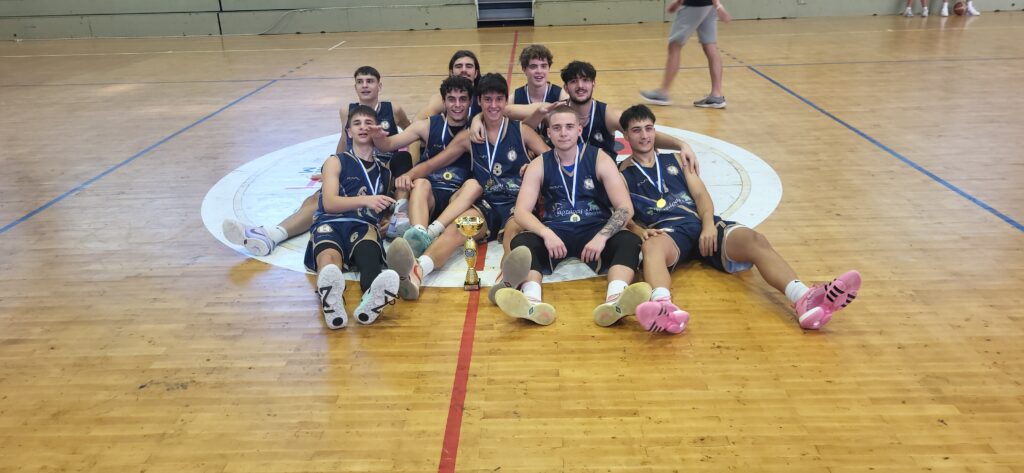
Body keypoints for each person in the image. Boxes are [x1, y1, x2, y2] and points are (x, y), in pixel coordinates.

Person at [616, 105, 861, 333]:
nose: (644, 136)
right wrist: (638, 230)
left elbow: (701, 195)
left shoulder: (677, 159)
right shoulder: (621, 174)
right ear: (625, 135)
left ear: (655, 131)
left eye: (649, 128)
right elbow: (623, 212)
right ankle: (663, 307)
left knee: (754, 239)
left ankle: (804, 298)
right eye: (636, 130)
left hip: (701, 224)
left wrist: (709, 224)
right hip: (669, 233)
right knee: (651, 247)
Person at [387, 73, 549, 303]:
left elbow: (552, 159)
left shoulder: (522, 131)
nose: (493, 105)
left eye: (499, 99)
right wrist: (408, 175)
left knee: (512, 235)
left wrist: (534, 167)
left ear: (506, 101)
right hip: (486, 203)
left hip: (517, 202)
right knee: (458, 228)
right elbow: (433, 163)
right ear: (479, 102)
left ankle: (505, 279)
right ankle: (417, 271)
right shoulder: (468, 137)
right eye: (488, 100)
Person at [223, 65, 411, 254]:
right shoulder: (347, 110)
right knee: (316, 199)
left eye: (370, 81)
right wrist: (334, 168)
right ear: (354, 87)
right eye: (360, 82)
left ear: (380, 86)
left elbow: (411, 133)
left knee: (336, 201)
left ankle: (396, 218)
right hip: (354, 167)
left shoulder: (393, 110)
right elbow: (344, 140)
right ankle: (272, 235)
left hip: (381, 170)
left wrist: (409, 167)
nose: (365, 86)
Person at [492, 104, 651, 326]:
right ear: (549, 133)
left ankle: (616, 300)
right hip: (556, 230)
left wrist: (602, 237)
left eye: (569, 126)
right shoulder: (539, 164)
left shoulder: (599, 158)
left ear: (579, 129)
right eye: (557, 128)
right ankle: (531, 302)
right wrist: (545, 233)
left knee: (629, 241)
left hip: (594, 228)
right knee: (522, 243)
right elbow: (521, 211)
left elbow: (625, 207)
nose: (563, 133)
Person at [304, 105, 405, 329]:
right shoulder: (336, 160)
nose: (362, 127)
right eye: (357, 123)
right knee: (329, 261)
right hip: (331, 222)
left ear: (377, 130)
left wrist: (388, 219)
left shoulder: (385, 172)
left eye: (368, 123)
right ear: (348, 132)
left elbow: (383, 206)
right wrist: (366, 200)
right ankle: (332, 302)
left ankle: (371, 299)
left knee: (369, 256)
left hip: (363, 225)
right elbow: (329, 203)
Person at [369, 75, 481, 257]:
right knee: (421, 183)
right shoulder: (427, 125)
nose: (457, 105)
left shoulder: (477, 127)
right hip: (429, 197)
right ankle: (419, 234)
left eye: (463, 99)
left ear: (470, 102)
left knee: (474, 185)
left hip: (458, 199)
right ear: (443, 101)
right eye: (451, 99)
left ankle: (430, 232)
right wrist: (377, 137)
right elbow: (388, 145)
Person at [640, 0, 731, 109]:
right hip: (709, 5)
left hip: (695, 4)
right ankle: (716, 95)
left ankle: (663, 93)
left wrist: (718, 6)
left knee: (675, 45)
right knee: (710, 46)